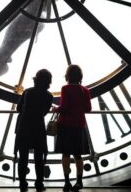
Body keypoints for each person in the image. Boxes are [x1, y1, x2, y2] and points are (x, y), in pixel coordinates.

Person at [53, 64, 92, 192]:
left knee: (65, 154)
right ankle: (79, 181)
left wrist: (56, 109)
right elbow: (88, 109)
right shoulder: (85, 90)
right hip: (79, 125)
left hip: (65, 125)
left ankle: (67, 182)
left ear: (68, 76)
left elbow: (64, 107)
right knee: (78, 155)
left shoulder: (65, 88)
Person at [15, 69, 53, 192]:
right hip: (38, 128)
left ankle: (22, 183)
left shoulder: (27, 92)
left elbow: (19, 108)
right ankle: (39, 183)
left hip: (24, 127)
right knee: (39, 158)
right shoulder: (49, 96)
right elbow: (44, 112)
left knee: (23, 157)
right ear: (48, 82)